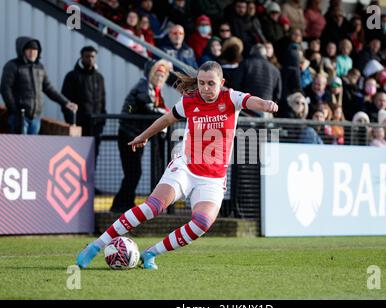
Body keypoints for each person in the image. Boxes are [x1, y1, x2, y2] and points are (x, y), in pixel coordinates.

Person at [76, 61, 278, 269]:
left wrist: (265, 104)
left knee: (202, 224)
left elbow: (252, 101)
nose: (206, 88)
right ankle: (94, 246)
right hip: (186, 167)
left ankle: (150, 254)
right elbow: (166, 120)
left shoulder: (231, 98)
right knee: (153, 207)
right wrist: (143, 136)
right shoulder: (190, 101)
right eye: (201, 83)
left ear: (222, 83)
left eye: (211, 83)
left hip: (213, 178)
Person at [110, 59, 172, 213]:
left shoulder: (154, 89)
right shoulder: (143, 87)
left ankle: (124, 205)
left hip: (137, 136)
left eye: (162, 75)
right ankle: (120, 206)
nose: (160, 77)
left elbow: (156, 109)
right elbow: (150, 108)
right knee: (133, 172)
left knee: (133, 173)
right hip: (129, 135)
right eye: (157, 74)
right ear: (151, 73)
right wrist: (170, 115)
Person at [0, 37, 77, 134]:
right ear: (22, 50)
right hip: (19, 117)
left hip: (36, 117)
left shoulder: (40, 67)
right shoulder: (12, 66)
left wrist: (66, 102)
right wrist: (14, 110)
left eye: (35, 50)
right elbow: (5, 88)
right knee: (20, 147)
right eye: (29, 50)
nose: (32, 53)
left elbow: (48, 88)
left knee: (32, 146)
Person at [61, 46, 106, 163]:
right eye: (87, 56)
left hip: (95, 126)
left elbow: (102, 101)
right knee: (76, 157)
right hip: (79, 126)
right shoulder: (72, 76)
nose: (90, 59)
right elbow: (65, 102)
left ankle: (89, 182)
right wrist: (72, 122)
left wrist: (101, 122)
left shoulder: (99, 78)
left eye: (93, 56)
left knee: (92, 158)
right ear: (81, 57)